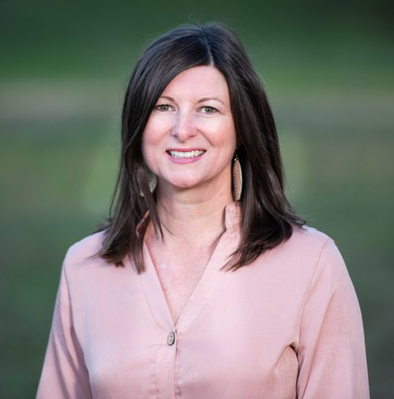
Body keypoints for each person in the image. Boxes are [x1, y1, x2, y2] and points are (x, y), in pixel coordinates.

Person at [37, 23, 369, 398]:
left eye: (207, 109)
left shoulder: (311, 264)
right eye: (164, 107)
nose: (183, 129)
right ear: (138, 123)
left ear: (242, 127)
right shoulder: (84, 268)